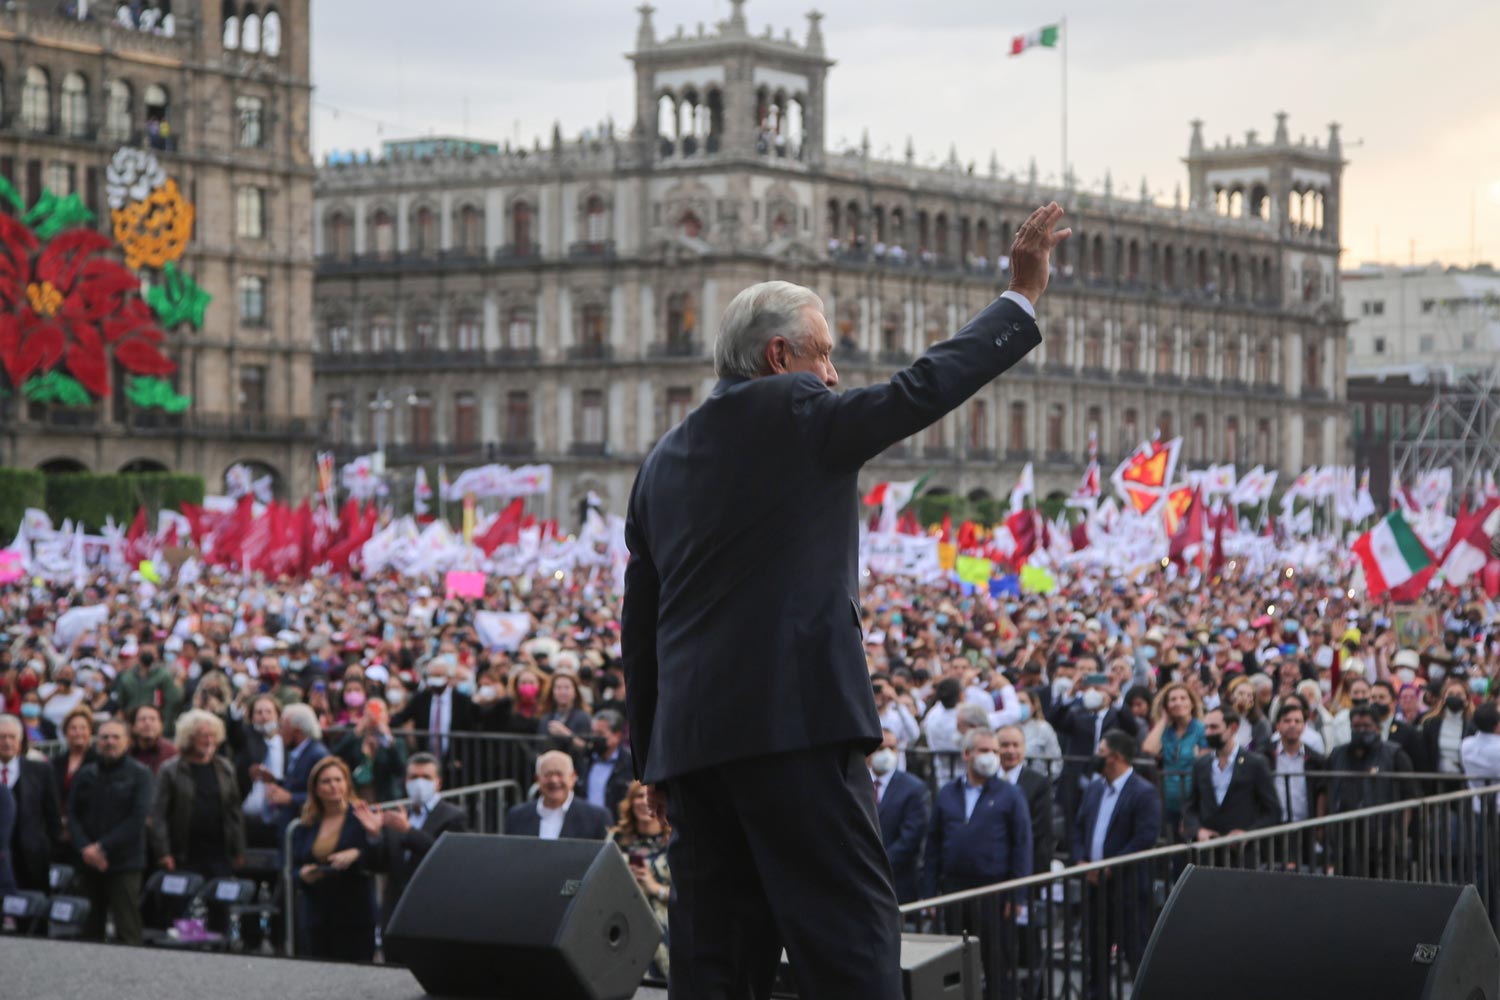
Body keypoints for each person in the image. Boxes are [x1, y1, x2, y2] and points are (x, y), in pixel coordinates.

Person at [622, 204, 1065, 999]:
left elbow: (641, 625)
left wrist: (649, 757)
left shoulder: (662, 460)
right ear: (779, 355)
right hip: (795, 731)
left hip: (692, 752)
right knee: (850, 942)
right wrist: (1020, 301)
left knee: (714, 959)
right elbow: (918, 390)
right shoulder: (796, 412)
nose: (832, 376)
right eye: (823, 355)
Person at [923, 728, 1031, 1000]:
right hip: (954, 889)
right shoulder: (948, 792)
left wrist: (1017, 894)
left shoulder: (1010, 794)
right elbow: (933, 845)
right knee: (954, 962)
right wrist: (929, 892)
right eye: (985, 750)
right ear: (967, 754)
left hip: (993, 891)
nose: (991, 756)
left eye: (994, 751)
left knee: (996, 962)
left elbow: (1022, 845)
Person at [1071, 730, 1161, 1000]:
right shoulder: (1095, 788)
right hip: (1094, 887)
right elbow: (1078, 828)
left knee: (1136, 954)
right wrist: (1082, 862)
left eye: (1101, 752)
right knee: (1096, 954)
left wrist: (1110, 867)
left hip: (1127, 889)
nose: (1096, 757)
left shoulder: (1143, 792)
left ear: (1116, 757)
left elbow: (1145, 837)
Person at [69, 718, 153, 945]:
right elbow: (73, 815)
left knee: (127, 929)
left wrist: (101, 847)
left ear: (127, 741)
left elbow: (137, 819)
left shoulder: (140, 774)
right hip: (88, 862)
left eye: (116, 737)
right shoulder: (85, 774)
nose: (110, 742)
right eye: (105, 737)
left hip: (124, 863)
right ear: (97, 741)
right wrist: (86, 849)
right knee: (88, 929)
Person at [291, 755, 384, 961]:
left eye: (338, 779)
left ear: (347, 783)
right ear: (316, 788)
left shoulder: (361, 817)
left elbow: (378, 860)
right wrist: (303, 875)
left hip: (354, 914)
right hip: (317, 914)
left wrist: (366, 843)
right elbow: (293, 866)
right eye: (326, 781)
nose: (333, 785)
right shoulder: (307, 823)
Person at [378, 752, 469, 933]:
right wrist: (373, 835)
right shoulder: (399, 815)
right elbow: (382, 862)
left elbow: (445, 856)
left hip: (432, 910)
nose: (419, 782)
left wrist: (408, 831)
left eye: (426, 777)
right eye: (413, 777)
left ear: (438, 782)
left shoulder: (453, 816)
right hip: (395, 911)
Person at [151, 709, 245, 879]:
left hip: (219, 854)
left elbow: (234, 812)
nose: (209, 740)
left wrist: (238, 849)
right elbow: (158, 815)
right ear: (189, 738)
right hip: (183, 854)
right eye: (203, 735)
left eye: (213, 735)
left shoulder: (226, 768)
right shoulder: (170, 770)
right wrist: (163, 852)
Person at [1181, 708, 1280, 842]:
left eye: (1214, 727)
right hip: (1208, 847)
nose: (1208, 733)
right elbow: (1190, 806)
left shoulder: (1255, 763)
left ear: (1232, 728)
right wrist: (1198, 831)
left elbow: (1272, 810)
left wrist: (1248, 833)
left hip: (1244, 849)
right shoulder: (1201, 764)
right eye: (1206, 728)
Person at [610, 780, 672, 978]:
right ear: (630, 802)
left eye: (649, 796)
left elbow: (691, 894)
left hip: (666, 928)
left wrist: (655, 887)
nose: (645, 801)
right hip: (624, 923)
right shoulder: (615, 839)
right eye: (638, 796)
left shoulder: (675, 840)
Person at [0, 713, 62, 892]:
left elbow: (53, 816)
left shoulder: (41, 771)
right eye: (2, 737)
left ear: (20, 741)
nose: (7, 742)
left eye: (12, 737)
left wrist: (48, 850)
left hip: (32, 861)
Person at [868, 728, 929, 904]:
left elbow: (911, 837)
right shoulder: (856, 784)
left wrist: (880, 864)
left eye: (892, 748)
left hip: (898, 881)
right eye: (881, 748)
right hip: (863, 879)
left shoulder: (914, 788)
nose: (887, 753)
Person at [1141, 682, 1206, 842]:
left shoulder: (1201, 729)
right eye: (1173, 699)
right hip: (1169, 801)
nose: (1178, 702)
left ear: (1192, 703)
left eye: (1183, 698)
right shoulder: (1167, 731)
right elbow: (1149, 748)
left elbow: (1205, 763)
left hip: (1194, 801)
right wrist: (1163, 720)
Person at [505, 749, 611, 839]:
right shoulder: (517, 817)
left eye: (560, 774)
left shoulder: (597, 818)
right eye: (548, 774)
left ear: (573, 777)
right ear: (537, 779)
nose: (554, 780)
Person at [997, 724, 1054, 873]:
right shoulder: (987, 780)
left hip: (1026, 863)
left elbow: (1038, 828)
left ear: (1024, 748)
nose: (1011, 751)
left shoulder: (1039, 783)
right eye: (1005, 745)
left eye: (1016, 745)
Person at [267, 703, 330, 833]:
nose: (279, 733)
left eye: (283, 728)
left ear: (297, 731)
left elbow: (326, 794)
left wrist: (291, 798)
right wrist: (276, 783)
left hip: (306, 829)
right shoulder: (298, 752)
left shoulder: (317, 755)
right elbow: (297, 784)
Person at [332, 698, 407, 803]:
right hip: (357, 797)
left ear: (387, 717)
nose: (374, 715)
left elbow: (401, 770)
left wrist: (388, 739)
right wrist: (356, 733)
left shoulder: (396, 743)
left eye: (379, 711)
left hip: (385, 799)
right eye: (370, 711)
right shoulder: (355, 740)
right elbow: (334, 757)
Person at [235, 695, 285, 848]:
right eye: (259, 712)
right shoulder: (245, 739)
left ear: (278, 715)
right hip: (247, 818)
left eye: (269, 712)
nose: (264, 717)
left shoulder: (285, 744)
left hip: (279, 817)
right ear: (251, 717)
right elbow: (233, 729)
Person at [580, 708, 633, 817]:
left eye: (600, 734)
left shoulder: (629, 763)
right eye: (593, 732)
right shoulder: (585, 758)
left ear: (617, 736)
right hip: (586, 821)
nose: (595, 738)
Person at [49, 705, 100, 816]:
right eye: (73, 728)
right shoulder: (56, 762)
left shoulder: (99, 761)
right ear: (66, 733)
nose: (78, 732)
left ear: (90, 731)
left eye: (83, 728)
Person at [1016, 686, 1061, 772]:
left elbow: (1055, 760)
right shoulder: (1006, 727)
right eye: (1016, 702)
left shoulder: (1043, 728)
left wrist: (1046, 778)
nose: (1018, 705)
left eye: (1022, 702)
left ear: (1033, 706)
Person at [127, 703, 178, 774]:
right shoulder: (126, 752)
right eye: (142, 719)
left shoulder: (172, 753)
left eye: (153, 719)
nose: (147, 723)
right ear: (133, 726)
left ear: (161, 725)